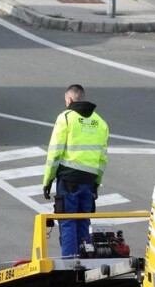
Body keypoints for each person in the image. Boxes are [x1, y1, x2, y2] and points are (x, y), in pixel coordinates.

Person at [42, 84, 110, 257]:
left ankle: (70, 262)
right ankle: (85, 259)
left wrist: (48, 180)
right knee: (83, 221)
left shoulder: (65, 118)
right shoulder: (101, 123)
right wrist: (96, 183)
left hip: (69, 178)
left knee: (67, 221)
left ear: (69, 100)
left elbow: (55, 152)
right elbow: (103, 159)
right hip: (89, 180)